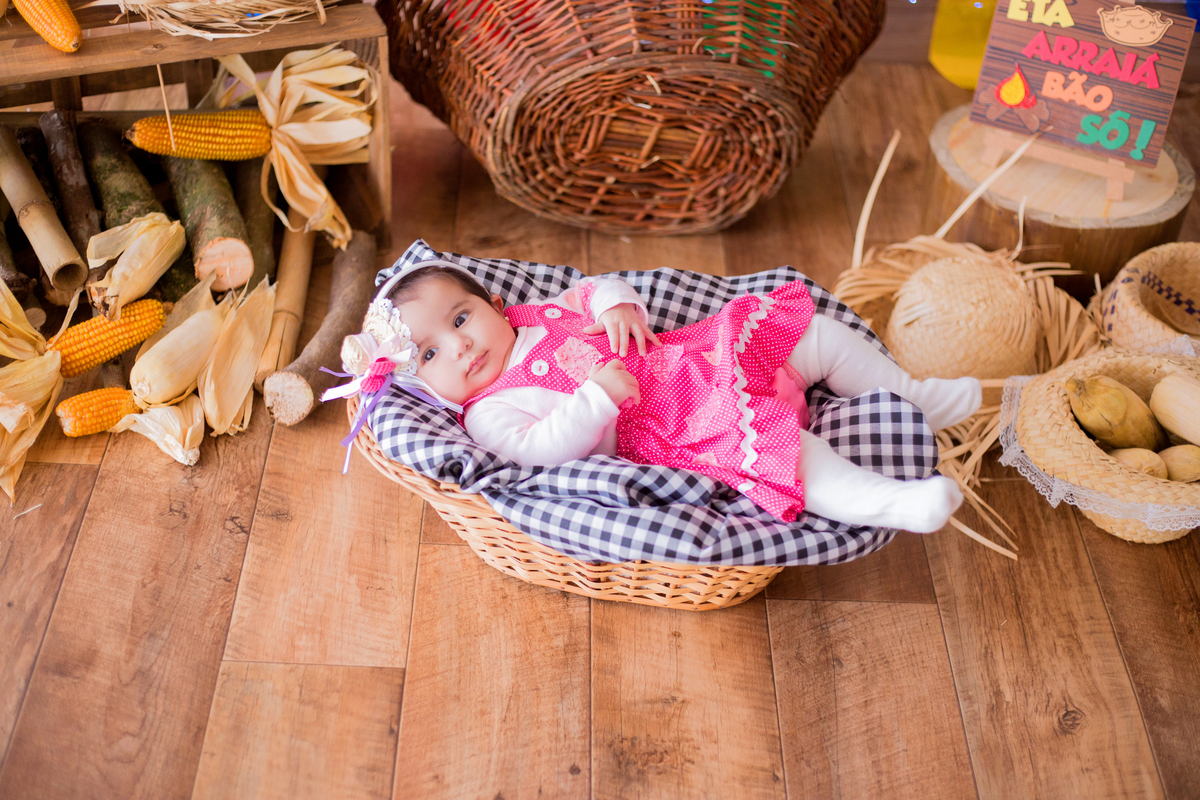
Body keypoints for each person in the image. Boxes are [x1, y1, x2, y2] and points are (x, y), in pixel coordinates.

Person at [331, 259, 982, 533]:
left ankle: (910, 397)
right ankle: (890, 503)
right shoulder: (490, 410)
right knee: (787, 455)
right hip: (679, 420)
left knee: (813, 336)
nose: (459, 345)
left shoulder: (535, 315)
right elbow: (537, 452)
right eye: (430, 354)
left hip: (700, 356)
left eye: (461, 317)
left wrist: (616, 306)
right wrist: (594, 401)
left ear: (495, 303)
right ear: (428, 389)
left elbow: (596, 286)